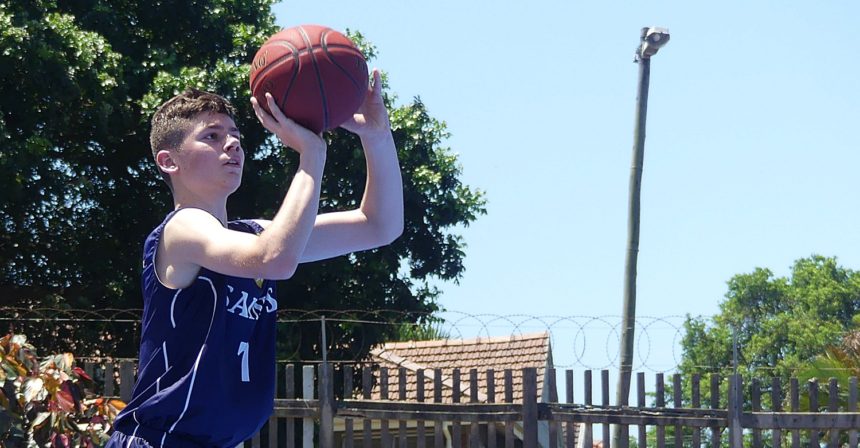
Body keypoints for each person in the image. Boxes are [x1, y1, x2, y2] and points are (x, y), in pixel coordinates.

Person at [106, 69, 402, 448]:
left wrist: (377, 136)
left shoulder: (253, 235)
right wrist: (311, 155)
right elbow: (275, 259)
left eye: (236, 137)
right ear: (169, 161)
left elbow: (379, 225)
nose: (231, 145)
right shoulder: (184, 228)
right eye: (212, 136)